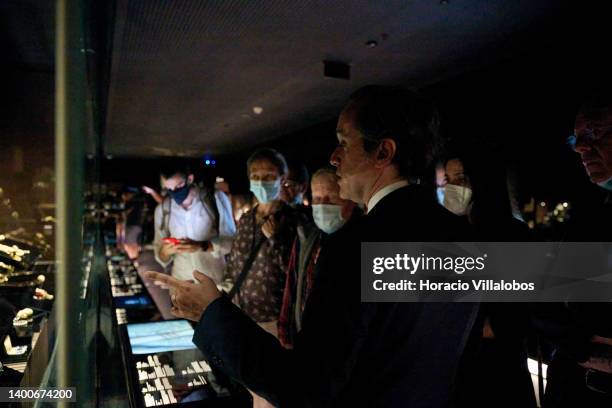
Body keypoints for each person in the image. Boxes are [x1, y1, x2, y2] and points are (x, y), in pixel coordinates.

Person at [147, 85, 478, 407]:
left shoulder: (353, 247)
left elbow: (305, 387)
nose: (334, 158)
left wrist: (211, 314)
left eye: (344, 143)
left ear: (383, 152)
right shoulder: (464, 235)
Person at [437, 147, 537, 408]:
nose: (453, 187)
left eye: (461, 178)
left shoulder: (514, 237)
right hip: (454, 374)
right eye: (449, 180)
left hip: (498, 374)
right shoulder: (449, 238)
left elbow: (515, 321)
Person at [538, 89, 612, 407]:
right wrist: (585, 350)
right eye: (576, 138)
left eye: (594, 131)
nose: (582, 147)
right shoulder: (591, 219)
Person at [220, 148, 306, 408]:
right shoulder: (247, 219)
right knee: (251, 387)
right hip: (243, 316)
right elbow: (235, 264)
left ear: (282, 178)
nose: (261, 180)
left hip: (274, 322)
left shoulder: (294, 220)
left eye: (268, 174)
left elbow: (298, 274)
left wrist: (277, 240)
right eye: (255, 175)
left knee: (271, 393)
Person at [278, 167, 359, 347]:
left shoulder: (365, 240)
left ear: (351, 201)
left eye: (331, 198)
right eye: (317, 198)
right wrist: (285, 332)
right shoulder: (306, 238)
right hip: (306, 341)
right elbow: (292, 284)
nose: (323, 205)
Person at [153, 161, 235, 284]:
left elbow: (231, 242)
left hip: (213, 282)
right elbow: (160, 255)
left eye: (178, 186)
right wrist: (165, 251)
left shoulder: (216, 199)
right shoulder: (163, 209)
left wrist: (202, 246)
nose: (174, 192)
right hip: (181, 282)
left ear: (190, 179)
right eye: (168, 189)